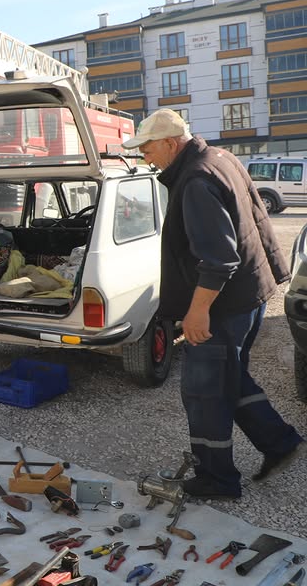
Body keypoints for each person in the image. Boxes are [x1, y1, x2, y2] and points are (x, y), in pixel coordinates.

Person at [125, 109, 303, 500]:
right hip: (249, 295)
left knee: (204, 393)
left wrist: (197, 309)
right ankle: (280, 442)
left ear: (171, 143)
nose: (145, 157)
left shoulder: (195, 180)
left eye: (148, 148)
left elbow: (220, 259)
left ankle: (216, 479)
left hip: (222, 306)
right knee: (231, 377)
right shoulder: (220, 158)